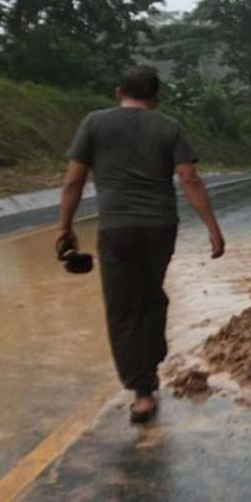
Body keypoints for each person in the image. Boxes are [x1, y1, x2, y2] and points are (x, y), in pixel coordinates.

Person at [55, 66, 225, 424]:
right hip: (161, 227)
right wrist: (212, 228)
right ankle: (151, 355)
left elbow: (73, 181)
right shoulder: (169, 127)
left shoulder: (94, 124)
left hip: (116, 228)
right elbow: (189, 178)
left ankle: (143, 392)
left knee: (122, 307)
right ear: (155, 96)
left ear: (119, 92)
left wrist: (65, 227)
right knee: (151, 293)